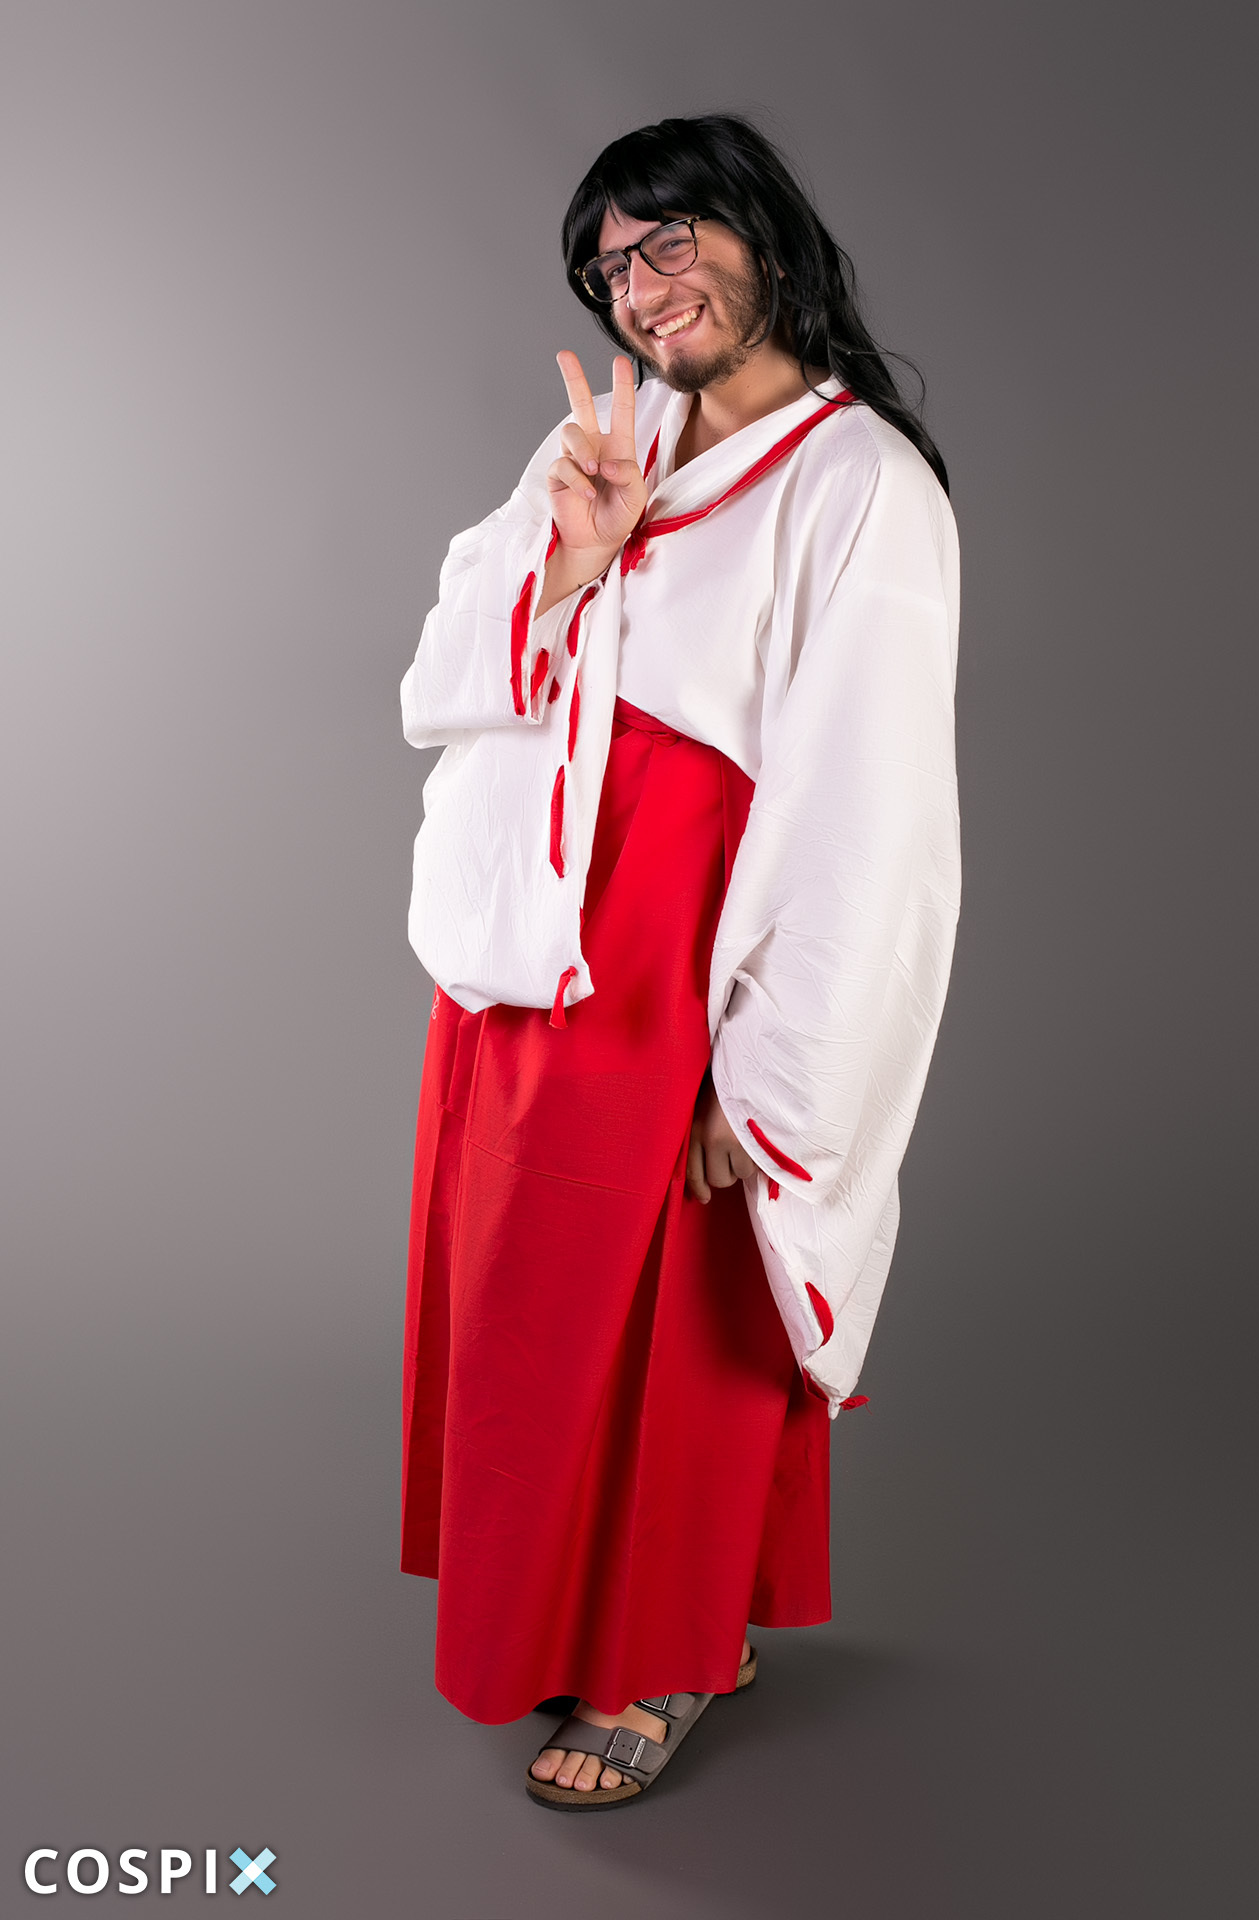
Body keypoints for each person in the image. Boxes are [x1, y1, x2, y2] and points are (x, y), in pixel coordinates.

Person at [399, 113, 960, 1808]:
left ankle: (671, 1652)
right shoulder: (607, 438)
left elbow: (865, 810)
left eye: (671, 242)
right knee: (536, 1303)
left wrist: (768, 1060)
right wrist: (572, 553)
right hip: (544, 939)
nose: (644, 290)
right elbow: (448, 670)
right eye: (613, 266)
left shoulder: (863, 485)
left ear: (759, 232)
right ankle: (583, 1613)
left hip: (692, 955)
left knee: (690, 1309)